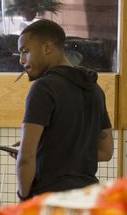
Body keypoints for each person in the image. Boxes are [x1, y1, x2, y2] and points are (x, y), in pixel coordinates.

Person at [14, 20, 113, 199]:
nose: (22, 61)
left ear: (47, 47)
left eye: (25, 51)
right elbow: (106, 151)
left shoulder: (44, 88)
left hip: (50, 201)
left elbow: (26, 158)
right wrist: (50, 152)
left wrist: (24, 199)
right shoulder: (94, 89)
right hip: (87, 198)